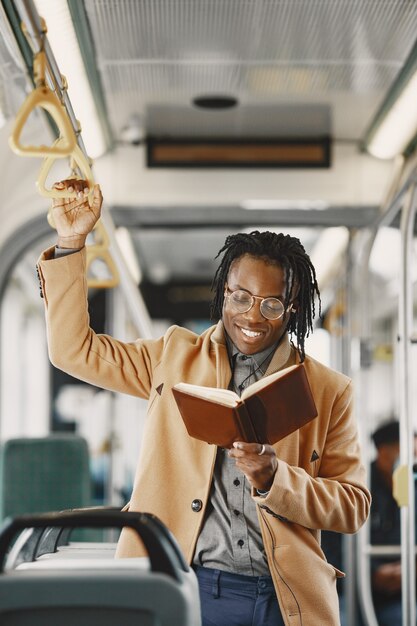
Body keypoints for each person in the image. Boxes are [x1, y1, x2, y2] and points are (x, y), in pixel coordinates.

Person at [36, 179, 371, 626]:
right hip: (184, 582)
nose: (253, 316)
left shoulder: (329, 390)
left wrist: (277, 480)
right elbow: (73, 351)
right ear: (223, 291)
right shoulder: (172, 357)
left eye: (272, 304)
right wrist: (72, 241)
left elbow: (352, 507)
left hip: (285, 599)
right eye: (241, 297)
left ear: (293, 309)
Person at [370, 419, 417, 626]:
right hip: (366, 589)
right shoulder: (360, 488)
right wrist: (372, 573)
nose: (413, 463)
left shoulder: (411, 486)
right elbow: (336, 546)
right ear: (382, 453)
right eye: (408, 456)